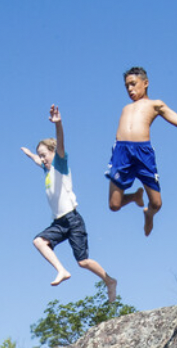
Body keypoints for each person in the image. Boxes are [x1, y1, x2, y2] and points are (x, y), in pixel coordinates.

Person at [106, 66, 177, 236]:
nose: (130, 89)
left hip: (143, 153)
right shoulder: (125, 108)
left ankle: (149, 214)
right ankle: (135, 197)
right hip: (121, 153)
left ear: (145, 83)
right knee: (114, 205)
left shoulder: (155, 104)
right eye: (127, 87)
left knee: (157, 203)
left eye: (133, 84)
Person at [21, 105, 118, 302]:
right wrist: (30, 155)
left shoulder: (60, 163)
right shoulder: (46, 169)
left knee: (83, 262)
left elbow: (61, 144)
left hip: (72, 219)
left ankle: (109, 281)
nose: (42, 159)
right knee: (39, 241)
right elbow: (37, 161)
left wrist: (59, 124)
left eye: (44, 154)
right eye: (40, 156)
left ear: (53, 153)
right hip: (59, 222)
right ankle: (62, 270)